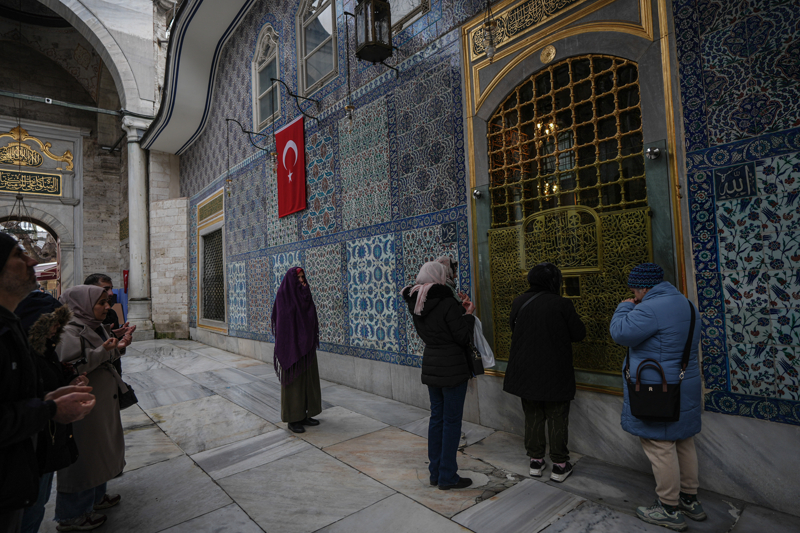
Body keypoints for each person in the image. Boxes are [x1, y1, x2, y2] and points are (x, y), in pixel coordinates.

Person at [0, 232, 95, 533]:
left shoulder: (11, 327)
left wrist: (52, 397)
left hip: (17, 474)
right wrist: (49, 409)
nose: (31, 259)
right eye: (17, 255)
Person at [609, 263, 703, 532]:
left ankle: (669, 508)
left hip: (658, 390)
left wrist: (624, 307)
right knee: (683, 441)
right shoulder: (687, 304)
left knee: (660, 446)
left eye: (633, 289)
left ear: (643, 287)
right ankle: (689, 499)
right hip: (685, 385)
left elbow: (620, 333)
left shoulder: (649, 308)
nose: (632, 293)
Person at [54, 285, 131, 532]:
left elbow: (103, 356)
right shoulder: (68, 331)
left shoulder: (93, 326)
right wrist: (105, 350)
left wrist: (117, 345)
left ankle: (96, 498)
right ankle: (72, 515)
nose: (107, 307)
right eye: (101, 303)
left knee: (100, 451)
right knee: (84, 457)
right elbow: (69, 368)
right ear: (83, 305)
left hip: (100, 403)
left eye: (107, 302)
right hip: (84, 405)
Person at [503, 262, 586, 482]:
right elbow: (578, 333)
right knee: (557, 416)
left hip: (526, 369)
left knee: (533, 416)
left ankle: (535, 461)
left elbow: (514, 328)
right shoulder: (561, 304)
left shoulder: (519, 301)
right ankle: (559, 464)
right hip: (554, 371)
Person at [15, 291, 86, 533]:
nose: (57, 328)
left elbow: (48, 384)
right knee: (27, 510)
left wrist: (68, 380)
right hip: (29, 447)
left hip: (46, 443)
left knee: (38, 503)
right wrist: (51, 406)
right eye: (52, 322)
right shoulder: (21, 356)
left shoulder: (46, 350)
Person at [402, 261, 475, 491]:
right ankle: (448, 476)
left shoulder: (417, 302)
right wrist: (468, 315)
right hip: (452, 366)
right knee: (451, 422)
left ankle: (435, 473)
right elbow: (462, 336)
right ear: (440, 276)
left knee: (437, 420)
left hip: (432, 364)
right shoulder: (446, 303)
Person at [272, 267, 322, 434]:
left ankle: (306, 414)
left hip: (306, 347)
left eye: (303, 277)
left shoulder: (304, 295)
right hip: (292, 347)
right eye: (299, 278)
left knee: (309, 381)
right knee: (294, 384)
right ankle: (293, 419)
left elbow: (310, 316)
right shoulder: (284, 296)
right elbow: (283, 322)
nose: (302, 281)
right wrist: (293, 343)